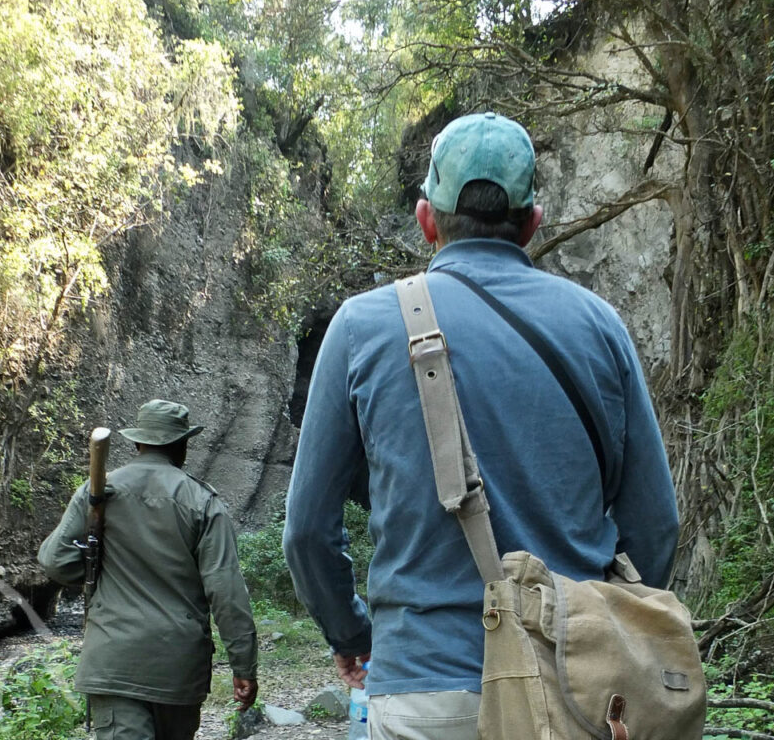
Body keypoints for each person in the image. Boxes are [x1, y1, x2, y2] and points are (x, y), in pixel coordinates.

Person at [282, 112, 679, 740]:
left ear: (426, 220)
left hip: (425, 687)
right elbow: (655, 525)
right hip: (572, 692)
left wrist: (352, 631)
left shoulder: (361, 327)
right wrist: (607, 635)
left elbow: (306, 531)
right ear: (533, 222)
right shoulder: (601, 327)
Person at [39, 399, 259, 740]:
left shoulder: (99, 490)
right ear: (183, 445)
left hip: (113, 660)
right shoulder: (203, 502)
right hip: (177, 668)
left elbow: (54, 560)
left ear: (138, 442)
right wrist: (244, 667)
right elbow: (226, 591)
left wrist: (97, 571)